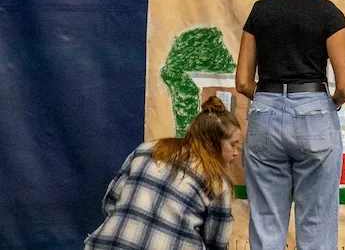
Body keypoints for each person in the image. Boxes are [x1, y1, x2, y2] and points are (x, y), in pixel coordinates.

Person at [236, 0, 345, 250]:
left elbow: (244, 82)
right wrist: (328, 103)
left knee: (266, 223)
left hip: (265, 114)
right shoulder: (329, 14)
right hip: (314, 113)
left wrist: (272, 99)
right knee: (316, 225)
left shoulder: (261, 9)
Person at [85, 97, 241, 249]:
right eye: (233, 145)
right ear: (213, 142)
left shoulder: (148, 149)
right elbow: (217, 241)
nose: (236, 152)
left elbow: (110, 202)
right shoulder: (217, 183)